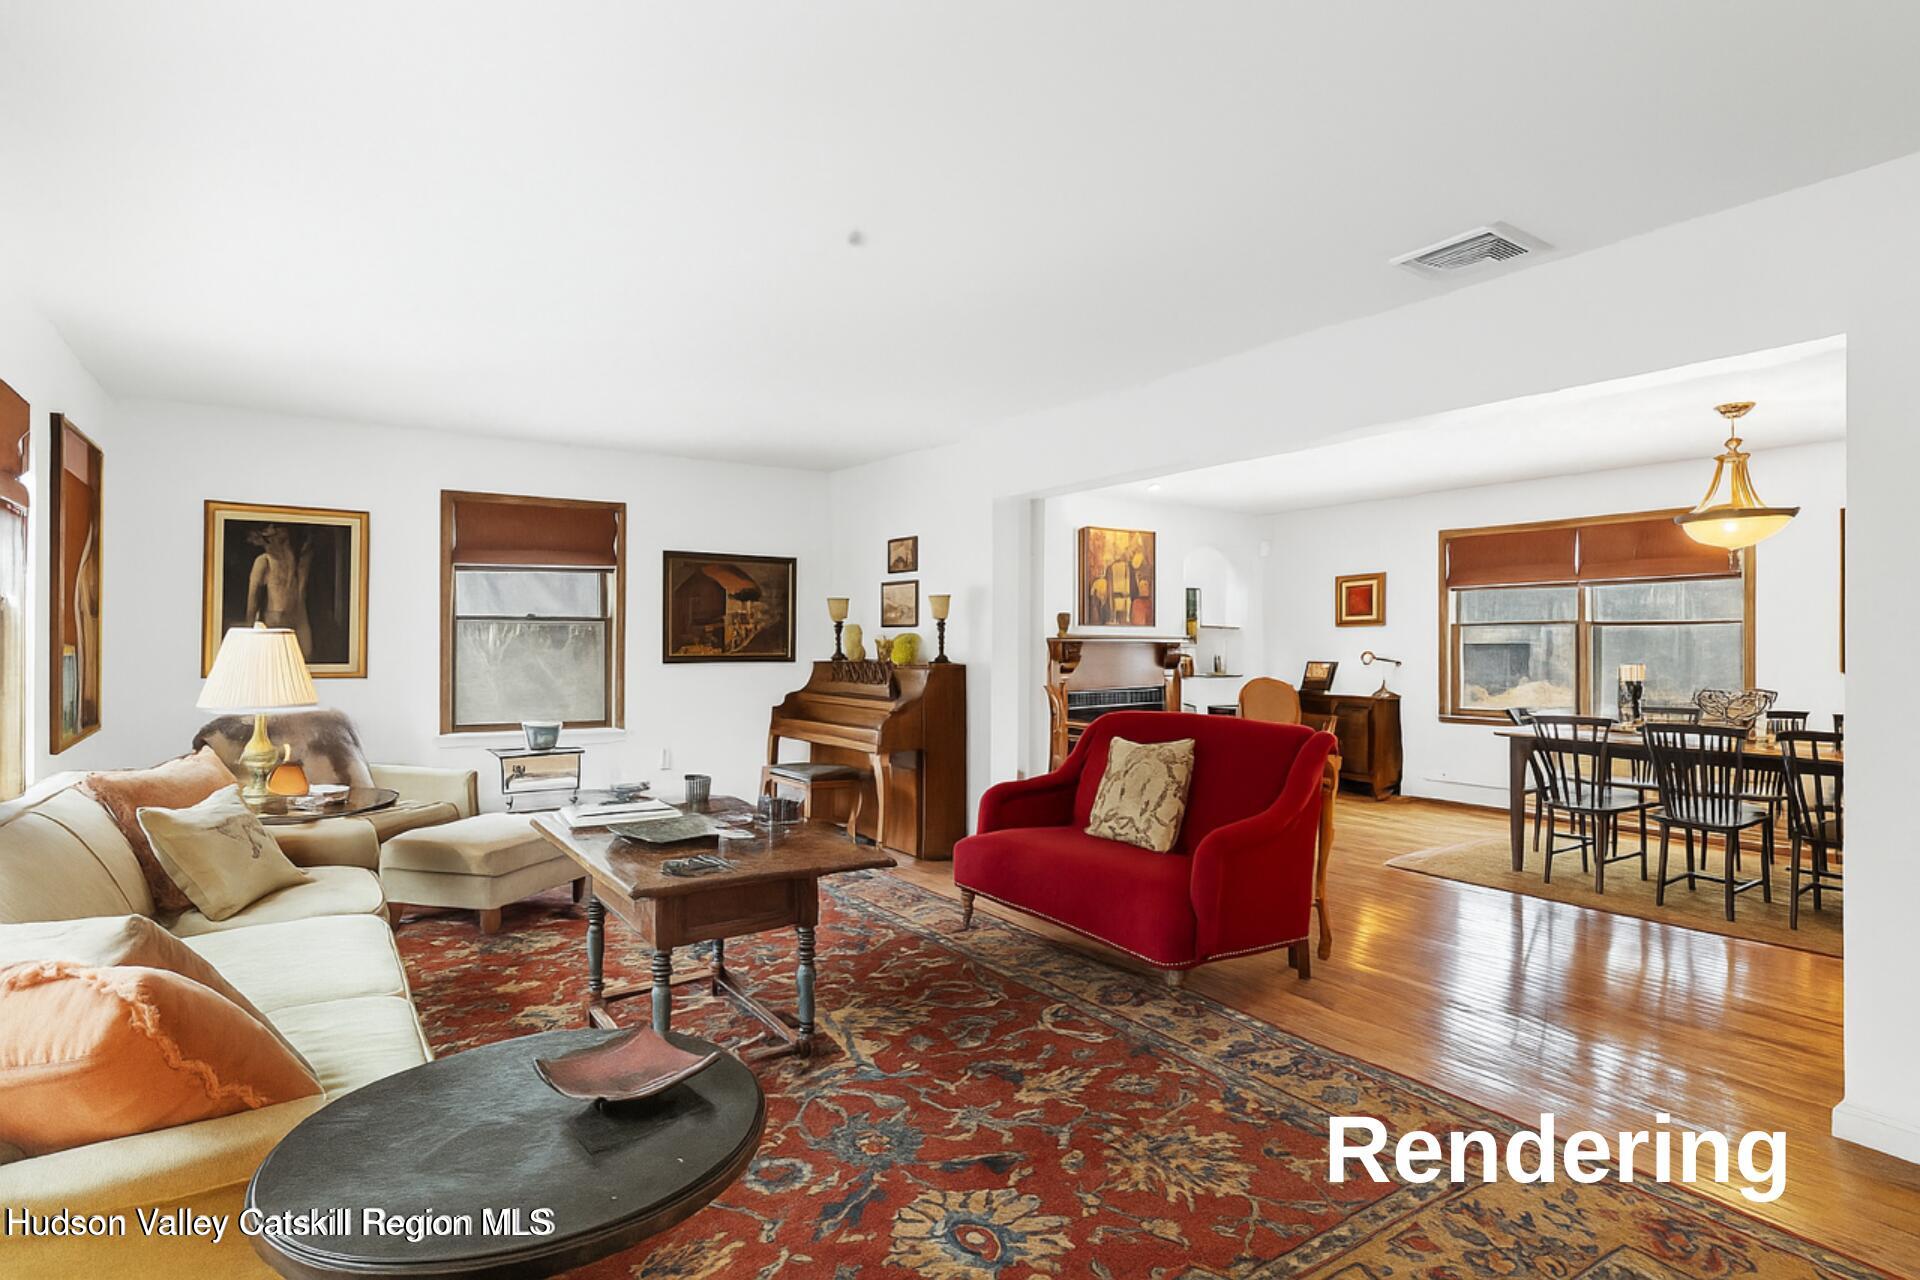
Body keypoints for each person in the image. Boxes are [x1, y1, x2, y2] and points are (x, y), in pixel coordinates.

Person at [245, 524, 313, 658]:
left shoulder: (298, 561)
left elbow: (301, 595)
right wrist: (249, 632)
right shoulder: (263, 561)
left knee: (306, 655)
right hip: (274, 621)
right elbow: (252, 599)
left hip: (297, 617)